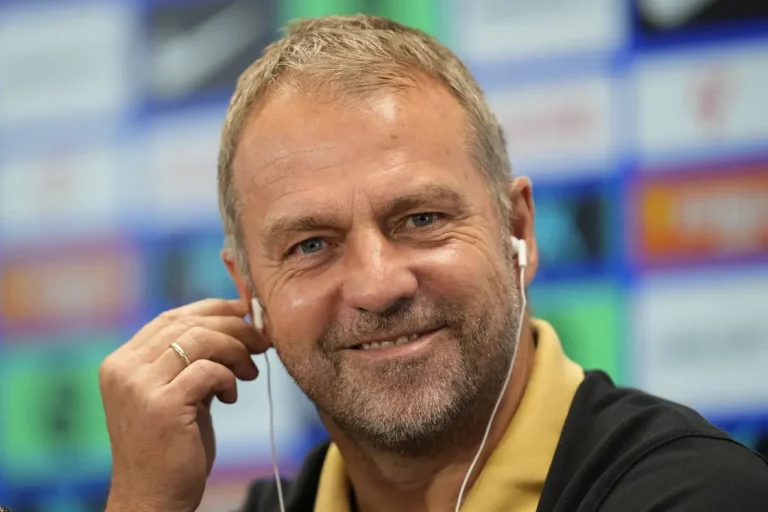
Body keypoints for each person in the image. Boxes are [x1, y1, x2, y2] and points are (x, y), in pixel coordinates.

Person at [98, 14, 768, 512]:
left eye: (421, 219)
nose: (378, 284)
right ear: (250, 291)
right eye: (311, 245)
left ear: (518, 230)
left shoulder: (697, 496)